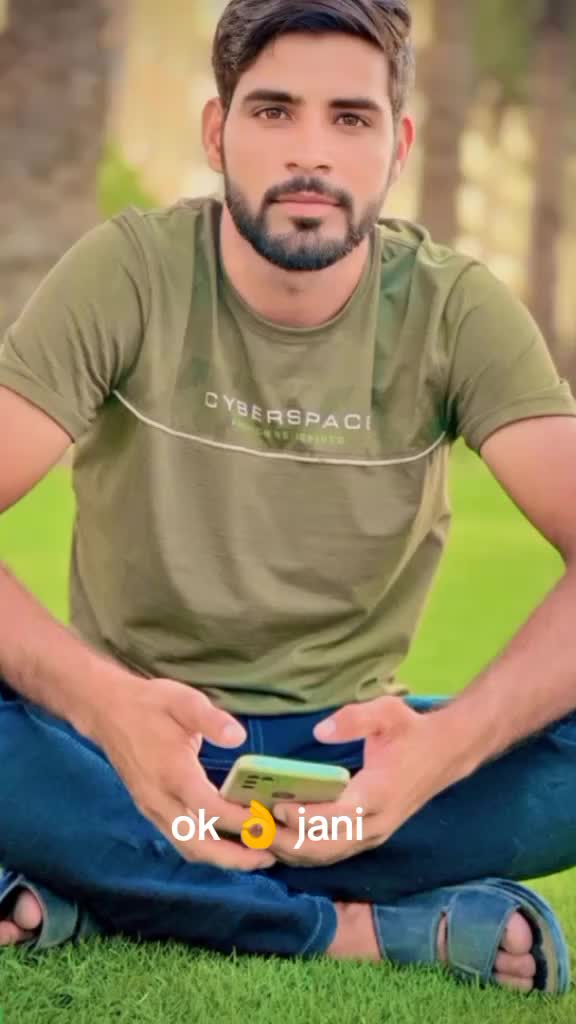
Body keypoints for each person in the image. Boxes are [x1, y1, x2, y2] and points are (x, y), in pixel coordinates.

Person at [1, 0, 576, 997]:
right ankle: (354, 930)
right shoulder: (127, 274)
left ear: (397, 146)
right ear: (217, 131)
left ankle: (109, 875)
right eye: (273, 111)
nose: (310, 151)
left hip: (354, 774)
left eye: (349, 118)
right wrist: (107, 707)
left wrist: (436, 756)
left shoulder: (455, 310)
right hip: (121, 752)